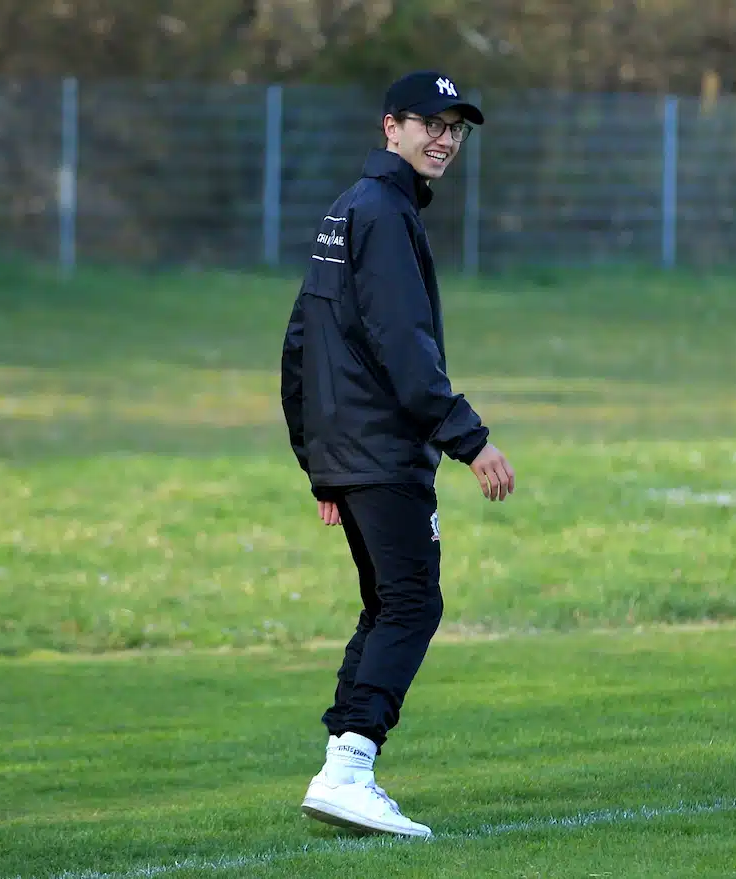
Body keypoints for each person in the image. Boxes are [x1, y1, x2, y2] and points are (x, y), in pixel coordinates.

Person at [279, 70, 516, 839]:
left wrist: (319, 461)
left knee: (388, 602)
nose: (444, 138)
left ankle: (340, 769)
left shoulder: (350, 208)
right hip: (382, 452)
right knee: (412, 601)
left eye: (457, 127)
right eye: (430, 123)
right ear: (391, 128)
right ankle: (349, 768)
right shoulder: (383, 214)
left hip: (353, 453)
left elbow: (300, 344)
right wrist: (469, 438)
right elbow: (403, 346)